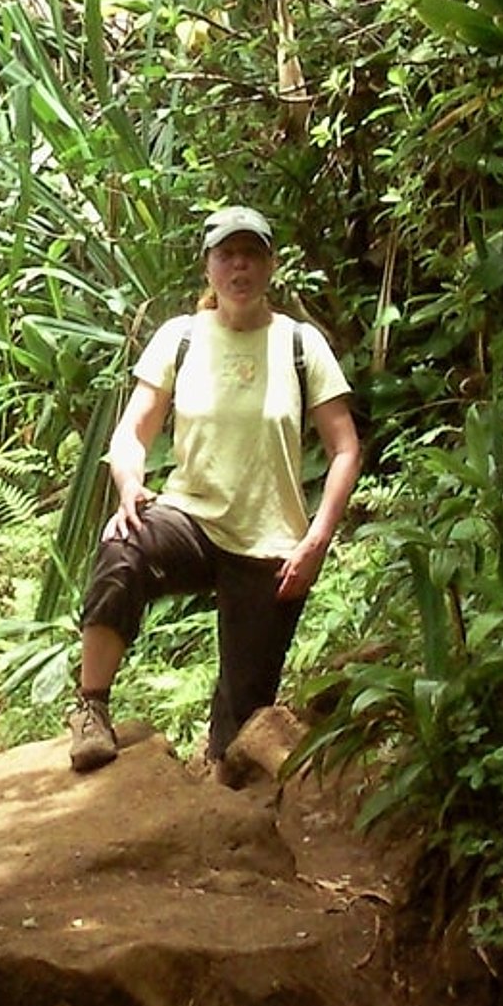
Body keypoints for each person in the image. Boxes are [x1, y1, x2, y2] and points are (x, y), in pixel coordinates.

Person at [68, 204, 361, 776]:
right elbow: (131, 432)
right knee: (123, 547)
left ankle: (217, 785)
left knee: (242, 732)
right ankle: (90, 709)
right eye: (228, 254)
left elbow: (344, 447)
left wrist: (317, 540)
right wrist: (130, 485)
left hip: (272, 544)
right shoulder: (181, 338)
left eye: (251, 254)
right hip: (191, 519)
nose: (240, 267)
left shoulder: (300, 345)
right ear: (209, 266)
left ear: (270, 265)